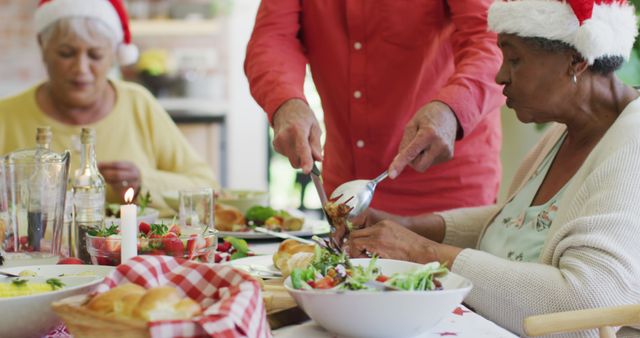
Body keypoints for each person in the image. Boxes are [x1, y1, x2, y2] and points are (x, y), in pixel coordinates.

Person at [347, 0, 640, 336]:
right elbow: (516, 224)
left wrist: (421, 252)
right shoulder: (567, 131)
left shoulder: (633, 147)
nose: (500, 76)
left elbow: (588, 307)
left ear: (576, 60)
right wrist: (410, 227)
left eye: (514, 59)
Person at [245, 1, 505, 215]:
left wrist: (452, 108)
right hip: (349, 192)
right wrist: (286, 103)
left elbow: (490, 38)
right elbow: (273, 37)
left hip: (446, 193)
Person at [0, 0, 218, 216]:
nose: (81, 68)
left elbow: (207, 188)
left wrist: (144, 181)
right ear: (43, 48)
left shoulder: (138, 104)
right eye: (66, 53)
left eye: (95, 55)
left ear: (114, 55)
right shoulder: (6, 116)